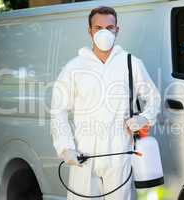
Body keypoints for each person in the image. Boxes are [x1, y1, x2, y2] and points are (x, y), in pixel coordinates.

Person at [50, 6, 161, 200]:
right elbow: (58, 111)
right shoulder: (73, 68)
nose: (104, 32)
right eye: (98, 27)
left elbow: (154, 97)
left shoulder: (131, 63)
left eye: (109, 27)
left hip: (120, 153)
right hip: (84, 156)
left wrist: (144, 117)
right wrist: (66, 147)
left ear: (117, 30)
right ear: (89, 31)